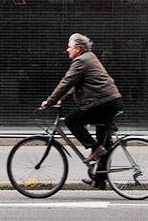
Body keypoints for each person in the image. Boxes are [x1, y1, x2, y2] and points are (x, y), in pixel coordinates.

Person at [41, 33, 123, 189]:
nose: (67, 50)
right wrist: (61, 99)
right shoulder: (89, 58)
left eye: (69, 47)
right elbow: (75, 87)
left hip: (104, 103)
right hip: (111, 102)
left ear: (78, 49)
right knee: (103, 139)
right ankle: (100, 179)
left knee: (72, 120)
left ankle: (94, 148)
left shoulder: (81, 61)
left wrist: (50, 101)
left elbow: (67, 82)